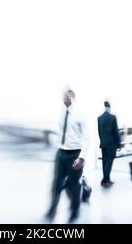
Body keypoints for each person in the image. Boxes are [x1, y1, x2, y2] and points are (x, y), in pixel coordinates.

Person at [45, 89, 90, 224]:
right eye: (63, 95)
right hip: (61, 153)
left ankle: (74, 213)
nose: (65, 98)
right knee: (56, 183)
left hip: (74, 154)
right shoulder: (61, 114)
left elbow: (87, 138)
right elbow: (61, 132)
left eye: (68, 95)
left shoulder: (80, 116)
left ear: (73, 97)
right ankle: (52, 211)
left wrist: (81, 157)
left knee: (74, 185)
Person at [97, 101, 121, 188]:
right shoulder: (113, 117)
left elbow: (99, 132)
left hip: (103, 144)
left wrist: (103, 141)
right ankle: (105, 181)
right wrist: (118, 144)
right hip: (111, 145)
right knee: (109, 162)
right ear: (109, 107)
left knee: (105, 162)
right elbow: (116, 132)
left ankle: (107, 179)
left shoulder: (99, 118)